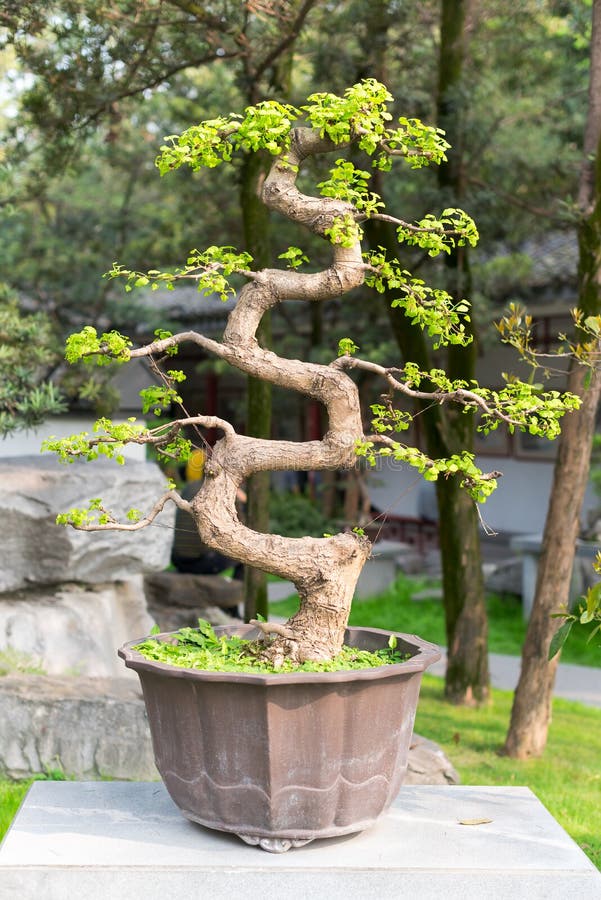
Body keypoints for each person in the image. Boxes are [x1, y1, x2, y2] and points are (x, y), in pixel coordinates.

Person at [171, 449, 245, 580]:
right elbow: (240, 528)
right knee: (247, 554)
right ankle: (235, 594)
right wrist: (239, 498)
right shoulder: (221, 491)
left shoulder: (189, 487)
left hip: (177, 559)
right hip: (201, 562)